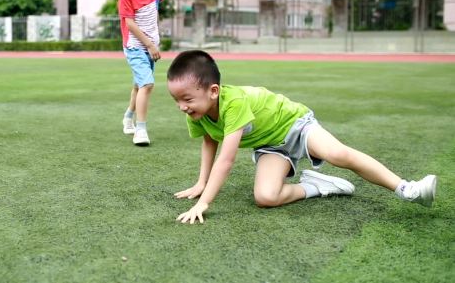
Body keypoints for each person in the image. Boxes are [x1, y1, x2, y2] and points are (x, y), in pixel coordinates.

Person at [166, 50, 437, 224]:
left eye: (187, 99)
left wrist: (204, 203)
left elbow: (226, 160)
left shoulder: (233, 102)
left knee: (337, 154)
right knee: (265, 197)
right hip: (270, 145)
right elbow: (209, 142)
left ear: (213, 91)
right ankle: (318, 186)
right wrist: (201, 183)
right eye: (176, 100)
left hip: (295, 124)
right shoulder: (196, 114)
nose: (182, 106)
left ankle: (407, 189)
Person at [115, 0, 164, 146]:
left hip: (150, 44)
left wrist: (155, 40)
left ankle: (128, 117)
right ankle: (140, 130)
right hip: (135, 46)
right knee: (147, 83)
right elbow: (130, 24)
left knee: (139, 85)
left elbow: (154, 13)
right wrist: (150, 45)